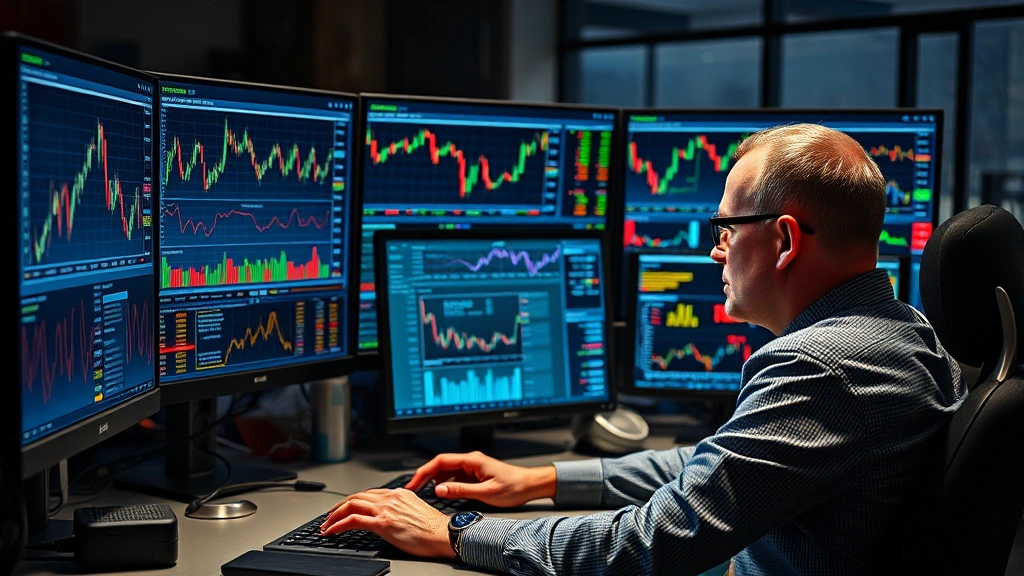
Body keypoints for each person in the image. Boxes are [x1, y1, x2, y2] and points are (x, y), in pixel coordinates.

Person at [320, 124, 967, 575]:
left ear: (784, 240)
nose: (713, 250)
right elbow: (717, 466)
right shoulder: (900, 331)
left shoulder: (820, 367)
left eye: (724, 228)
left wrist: (456, 533)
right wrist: (543, 479)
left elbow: (648, 547)